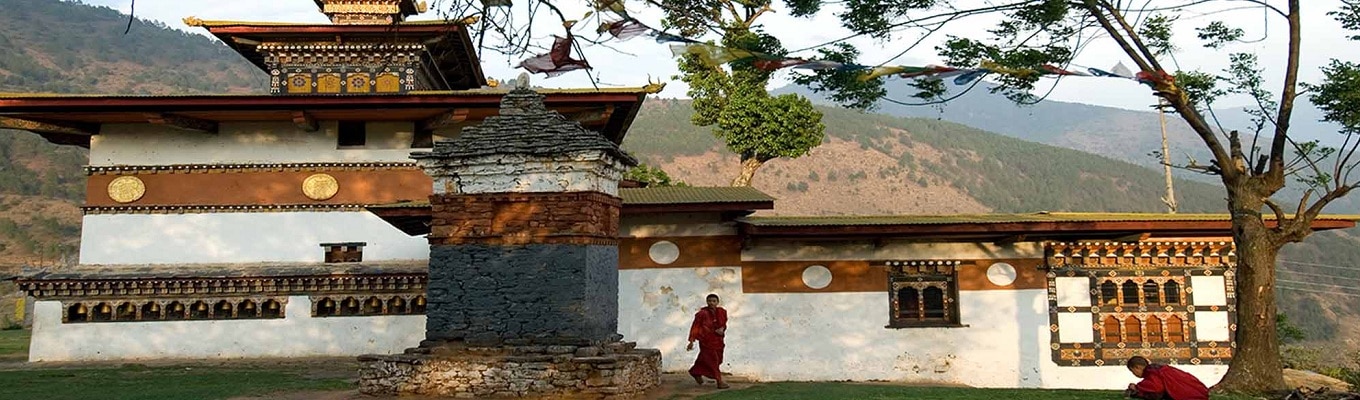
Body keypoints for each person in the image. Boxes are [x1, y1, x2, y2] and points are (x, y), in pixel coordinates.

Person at [687, 293, 729, 389]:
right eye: (709, 301)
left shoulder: (722, 312)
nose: (711, 303)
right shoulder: (702, 314)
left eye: (714, 301)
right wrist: (691, 341)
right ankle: (719, 381)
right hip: (706, 341)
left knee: (712, 359)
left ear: (717, 302)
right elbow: (695, 326)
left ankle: (695, 372)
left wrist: (722, 329)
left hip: (718, 340)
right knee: (712, 360)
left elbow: (724, 324)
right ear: (707, 302)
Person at [1124, 356, 1209, 400]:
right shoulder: (1162, 369)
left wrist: (1136, 388)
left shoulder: (1153, 373)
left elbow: (1156, 389)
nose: (1134, 374)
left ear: (1137, 367)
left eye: (1133, 371)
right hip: (1200, 393)